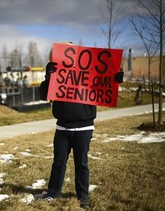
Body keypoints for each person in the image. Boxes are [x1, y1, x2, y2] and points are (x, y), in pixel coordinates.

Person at [39, 47, 124, 209]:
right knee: (58, 162)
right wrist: (49, 75)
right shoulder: (57, 73)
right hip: (62, 128)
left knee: (82, 163)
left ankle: (82, 197)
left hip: (84, 128)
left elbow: (104, 82)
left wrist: (115, 79)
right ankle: (53, 192)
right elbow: (44, 95)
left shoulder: (89, 71)